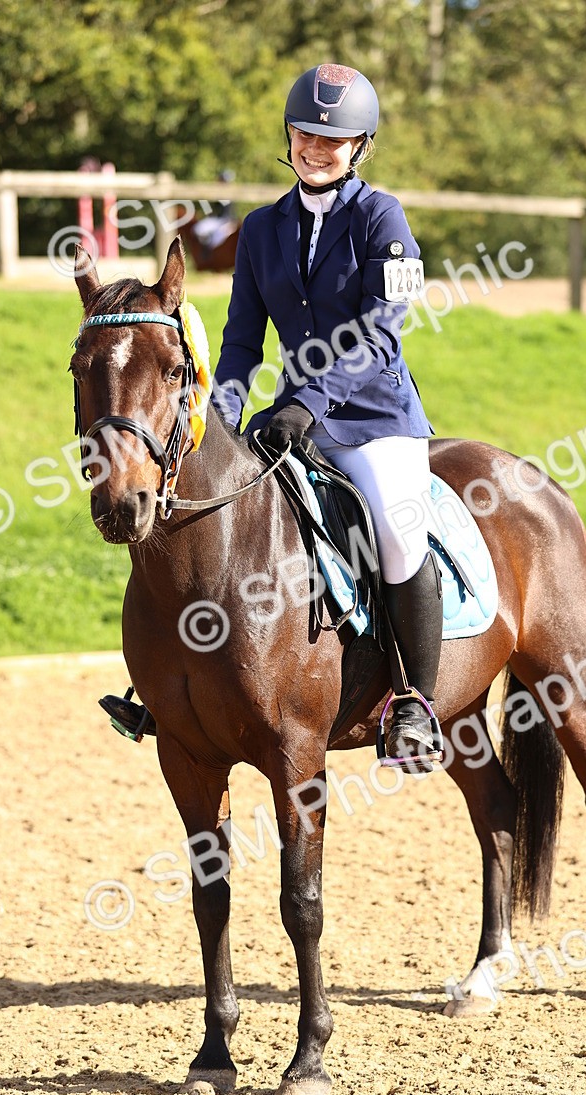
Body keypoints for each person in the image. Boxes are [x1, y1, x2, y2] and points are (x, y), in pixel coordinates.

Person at [211, 63, 442, 769]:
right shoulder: (258, 229)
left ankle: (416, 705)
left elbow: (381, 331)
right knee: (212, 526)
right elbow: (242, 340)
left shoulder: (383, 218)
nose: (316, 146)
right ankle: (174, 686)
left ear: (360, 146)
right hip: (289, 420)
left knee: (400, 535)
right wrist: (215, 421)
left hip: (374, 418)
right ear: (288, 133)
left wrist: (308, 401)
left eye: (333, 139)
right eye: (306, 132)